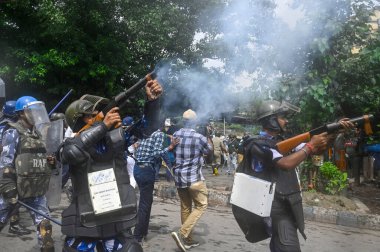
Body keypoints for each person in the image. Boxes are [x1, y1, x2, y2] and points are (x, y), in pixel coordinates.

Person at [232, 100, 354, 252]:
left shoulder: (283, 142)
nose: (287, 120)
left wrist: (334, 131)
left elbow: (316, 150)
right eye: (282, 117)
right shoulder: (257, 144)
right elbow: (286, 164)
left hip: (285, 204)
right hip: (275, 208)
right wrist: (310, 145)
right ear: (271, 119)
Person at [59, 79, 163, 252]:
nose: (101, 116)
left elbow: (146, 129)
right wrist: (103, 125)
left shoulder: (116, 139)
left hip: (116, 219)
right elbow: (72, 152)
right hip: (86, 222)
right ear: (79, 121)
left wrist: (153, 102)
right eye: (92, 115)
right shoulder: (72, 144)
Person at [0, 96, 55, 251]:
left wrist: (50, 162)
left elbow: (36, 160)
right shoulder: (13, 132)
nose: (36, 114)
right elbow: (5, 163)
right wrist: (8, 189)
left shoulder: (37, 134)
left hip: (35, 190)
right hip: (14, 189)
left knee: (46, 229)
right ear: (21, 113)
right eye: (32, 110)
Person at [171, 109, 213, 252]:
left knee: (185, 207)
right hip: (194, 178)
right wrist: (207, 135)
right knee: (202, 205)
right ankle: (182, 232)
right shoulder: (199, 137)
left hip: (179, 177)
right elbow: (209, 151)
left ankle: (187, 240)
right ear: (195, 122)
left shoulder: (176, 134)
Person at [133, 118, 179, 246]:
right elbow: (156, 153)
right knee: (144, 204)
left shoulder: (146, 133)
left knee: (147, 201)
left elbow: (138, 149)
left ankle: (143, 231)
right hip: (147, 170)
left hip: (138, 169)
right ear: (162, 126)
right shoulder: (159, 135)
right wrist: (170, 147)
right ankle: (137, 236)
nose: (167, 128)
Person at [0, 100, 32, 236]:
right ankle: (12, 224)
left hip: (8, 166)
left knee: (12, 199)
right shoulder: (10, 129)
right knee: (7, 200)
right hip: (6, 167)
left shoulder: (6, 126)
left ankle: (14, 224)